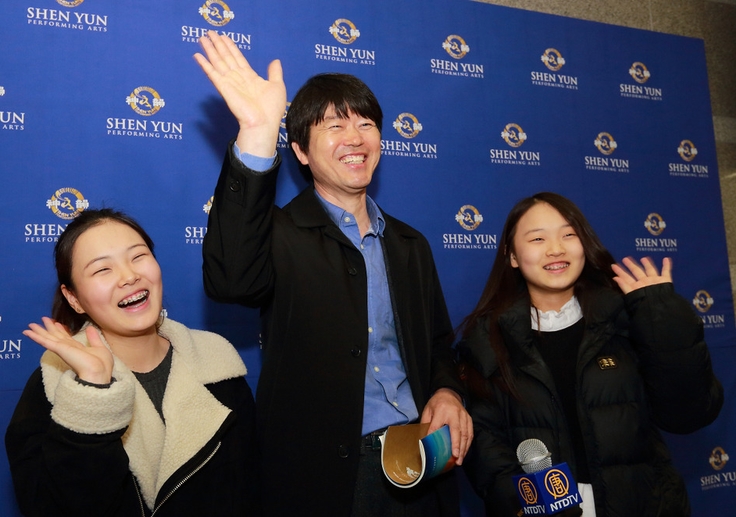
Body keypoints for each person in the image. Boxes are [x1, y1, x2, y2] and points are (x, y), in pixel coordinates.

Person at [194, 31, 472, 516]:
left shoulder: (410, 244)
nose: (355, 137)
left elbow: (437, 346)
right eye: (334, 126)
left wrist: (447, 390)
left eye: (366, 124)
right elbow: (231, 281)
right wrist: (257, 132)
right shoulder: (278, 233)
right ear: (301, 152)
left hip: (420, 457)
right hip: (325, 475)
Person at [457, 192, 724, 516]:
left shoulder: (626, 318)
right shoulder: (489, 337)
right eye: (538, 238)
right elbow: (484, 443)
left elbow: (689, 415)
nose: (556, 249)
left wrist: (663, 317)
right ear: (512, 255)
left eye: (569, 235)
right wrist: (530, 503)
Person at [5, 208, 260, 517]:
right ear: (74, 298)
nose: (129, 276)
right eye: (102, 269)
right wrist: (92, 394)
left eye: (138, 256)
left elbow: (251, 491)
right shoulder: (54, 386)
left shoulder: (219, 365)